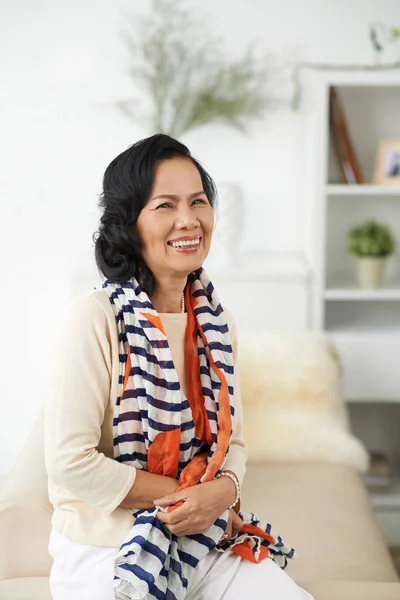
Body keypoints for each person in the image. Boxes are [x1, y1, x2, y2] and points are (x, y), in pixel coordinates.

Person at [44, 134, 314, 600]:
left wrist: (224, 490)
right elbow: (71, 463)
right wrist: (195, 496)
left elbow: (235, 443)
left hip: (198, 539)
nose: (189, 220)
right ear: (129, 225)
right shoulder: (96, 316)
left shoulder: (216, 321)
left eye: (199, 202)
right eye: (165, 205)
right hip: (102, 547)